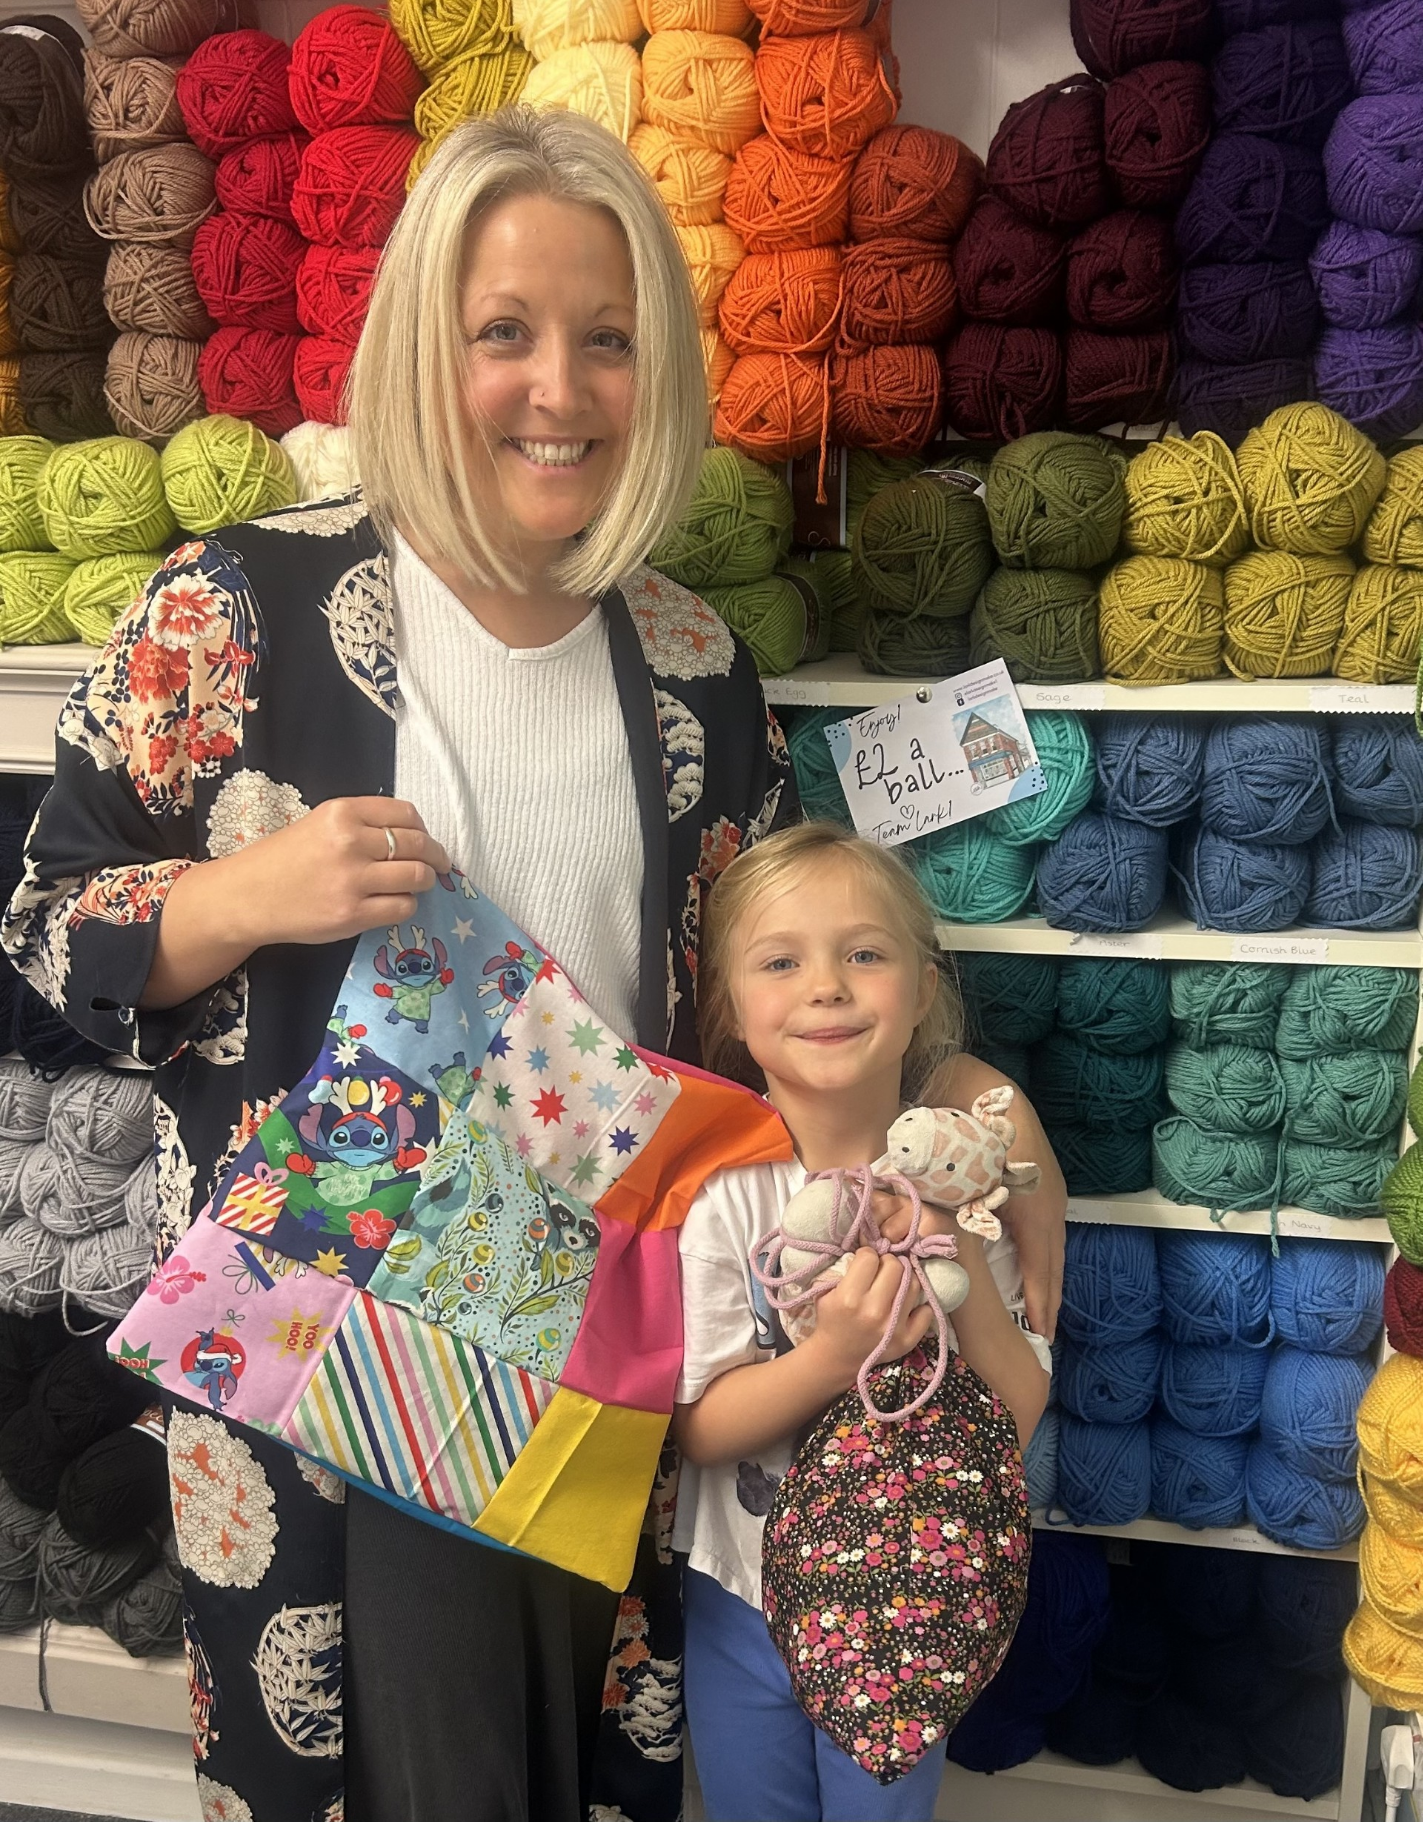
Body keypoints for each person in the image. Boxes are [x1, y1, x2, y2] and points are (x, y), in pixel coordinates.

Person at [2, 104, 1063, 1822]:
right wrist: (245, 893)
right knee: (370, 1767)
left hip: (625, 1327)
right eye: (501, 330)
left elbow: (776, 990)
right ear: (425, 348)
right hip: (333, 1326)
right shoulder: (237, 607)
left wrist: (961, 1082)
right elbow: (50, 927)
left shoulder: (691, 663)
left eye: (605, 339)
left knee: (589, 1755)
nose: (555, 389)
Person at [674, 821, 1053, 1822]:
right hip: (739, 1596)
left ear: (924, 990)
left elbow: (1016, 1408)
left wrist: (952, 1239)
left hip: (911, 1602)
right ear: (731, 1005)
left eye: (865, 954)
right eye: (780, 961)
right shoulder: (723, 1201)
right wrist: (836, 1352)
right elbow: (699, 1428)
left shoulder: (967, 1195)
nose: (827, 986)